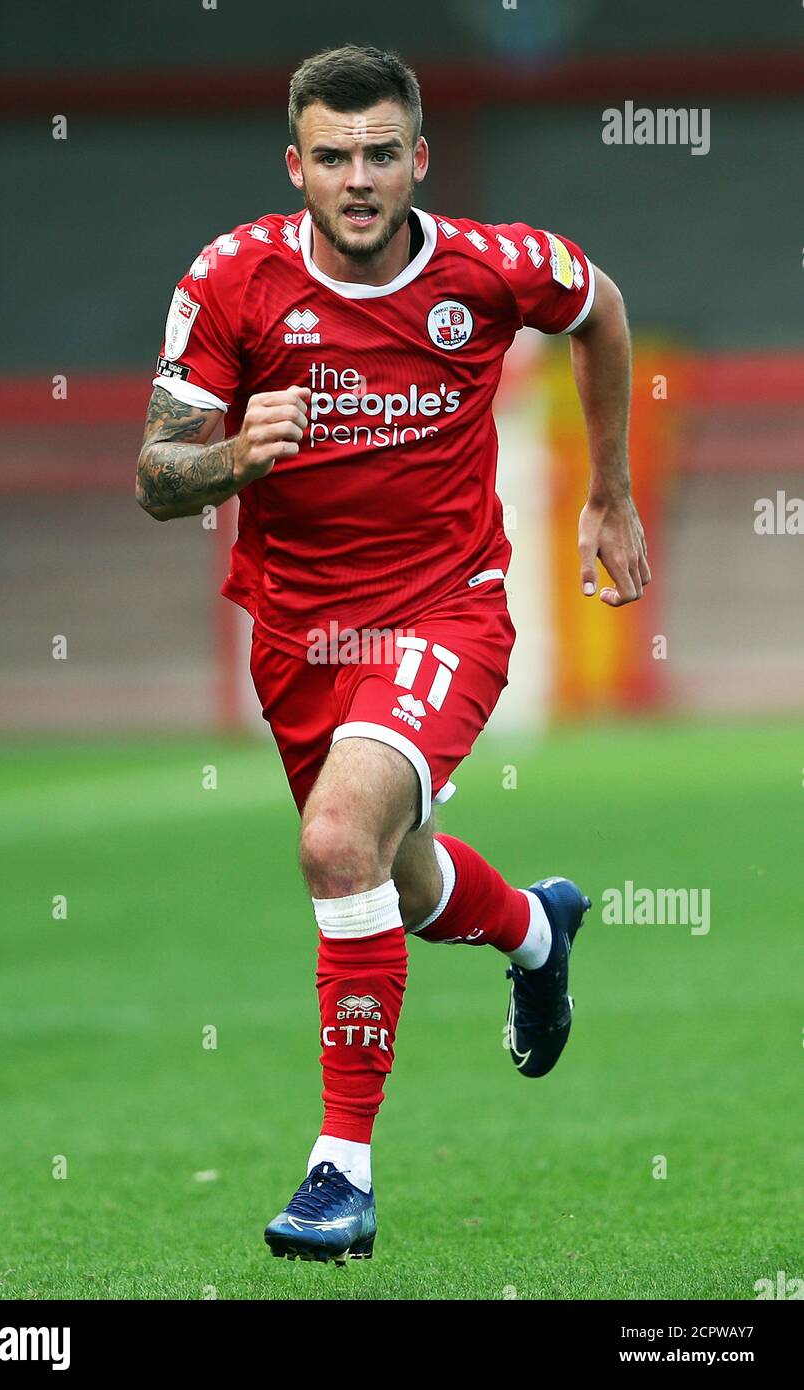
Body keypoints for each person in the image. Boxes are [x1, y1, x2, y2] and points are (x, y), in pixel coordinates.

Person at [135, 43, 649, 1265]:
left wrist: (610, 494)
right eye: (333, 156)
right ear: (295, 166)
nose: (358, 179)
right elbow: (159, 474)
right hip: (300, 637)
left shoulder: (492, 264)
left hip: (447, 610)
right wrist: (230, 460)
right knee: (393, 876)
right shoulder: (230, 281)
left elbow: (601, 307)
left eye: (381, 154)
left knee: (332, 842)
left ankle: (339, 1173)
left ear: (419, 158)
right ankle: (533, 929)